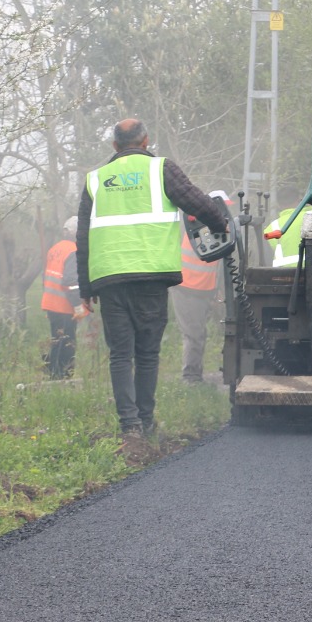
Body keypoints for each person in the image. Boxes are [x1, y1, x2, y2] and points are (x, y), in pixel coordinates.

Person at [76, 118, 230, 448]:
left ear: (115, 146)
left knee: (120, 355)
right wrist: (221, 224)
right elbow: (198, 202)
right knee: (147, 354)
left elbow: (82, 237)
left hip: (109, 279)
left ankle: (129, 427)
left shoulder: (96, 180)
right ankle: (145, 422)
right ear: (146, 141)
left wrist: (85, 290)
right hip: (150, 277)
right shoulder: (161, 170)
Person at [170, 191, 234, 384]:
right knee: (194, 334)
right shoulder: (195, 225)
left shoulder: (217, 228)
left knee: (198, 333)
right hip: (186, 287)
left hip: (202, 290)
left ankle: (193, 375)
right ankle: (191, 378)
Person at [39, 216, 84, 379]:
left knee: (57, 340)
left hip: (51, 304)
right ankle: (63, 377)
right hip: (64, 305)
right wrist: (77, 305)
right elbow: (70, 280)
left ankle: (52, 372)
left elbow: (47, 277)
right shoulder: (74, 250)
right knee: (68, 342)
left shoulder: (54, 249)